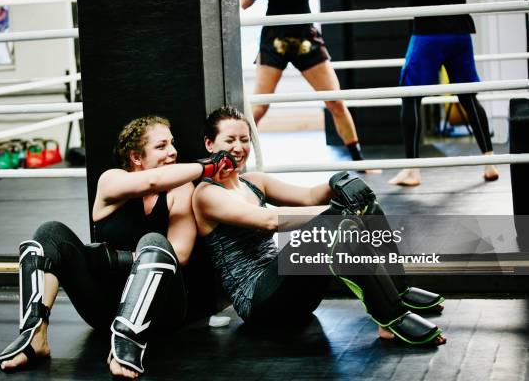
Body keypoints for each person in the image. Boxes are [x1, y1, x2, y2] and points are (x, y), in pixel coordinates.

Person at [0, 116, 235, 378]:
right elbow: (152, 181)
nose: (173, 151)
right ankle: (34, 335)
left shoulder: (181, 188)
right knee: (49, 232)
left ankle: (128, 342)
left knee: (154, 242)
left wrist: (109, 259)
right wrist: (209, 166)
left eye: (172, 143)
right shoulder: (112, 180)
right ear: (136, 157)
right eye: (161, 146)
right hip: (103, 308)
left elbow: (180, 254)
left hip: (161, 311)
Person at [192, 106, 447, 346]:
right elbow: (269, 220)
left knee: (365, 204)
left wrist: (337, 183)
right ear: (209, 143)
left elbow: (310, 197)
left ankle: (398, 291)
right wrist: (336, 213)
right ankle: (390, 320)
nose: (239, 147)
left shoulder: (253, 181)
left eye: (244, 139)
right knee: (334, 225)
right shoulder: (207, 195)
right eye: (229, 140)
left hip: (294, 295)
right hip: (259, 301)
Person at [241, 0, 378, 169]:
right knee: (260, 106)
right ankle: (233, 157)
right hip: (274, 39)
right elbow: (244, 2)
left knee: (335, 101)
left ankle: (359, 160)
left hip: (304, 37)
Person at [389, 0, 499, 186]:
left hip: (429, 32)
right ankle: (490, 162)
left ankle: (412, 170)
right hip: (459, 32)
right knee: (469, 98)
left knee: (409, 95)